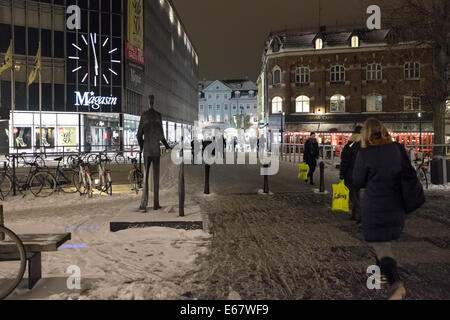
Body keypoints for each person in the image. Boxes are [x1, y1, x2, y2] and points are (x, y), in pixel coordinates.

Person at [353, 118, 407, 300]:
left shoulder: (365, 153)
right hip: (396, 204)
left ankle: (395, 283)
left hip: (375, 205)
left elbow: (358, 181)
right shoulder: (396, 149)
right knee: (385, 243)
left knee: (381, 246)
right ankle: (385, 275)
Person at [137, 95, 171, 212]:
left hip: (147, 150)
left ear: (148, 102)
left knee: (146, 177)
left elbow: (138, 135)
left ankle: (144, 204)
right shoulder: (158, 116)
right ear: (154, 102)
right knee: (156, 177)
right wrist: (167, 146)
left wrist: (142, 146)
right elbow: (161, 136)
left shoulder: (144, 115)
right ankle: (156, 203)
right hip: (156, 150)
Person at [340, 125, 363, 223]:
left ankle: (361, 214)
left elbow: (345, 160)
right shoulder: (363, 145)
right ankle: (354, 214)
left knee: (352, 195)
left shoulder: (350, 145)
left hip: (350, 172)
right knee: (356, 193)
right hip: (360, 173)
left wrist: (342, 173)